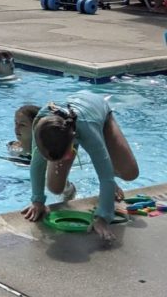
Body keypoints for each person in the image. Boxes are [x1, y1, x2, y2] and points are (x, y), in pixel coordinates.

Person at [21, 92, 138, 243]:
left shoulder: (89, 133)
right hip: (63, 125)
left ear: (71, 148)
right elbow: (36, 164)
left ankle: (109, 171)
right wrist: (37, 201)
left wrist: (102, 218)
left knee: (130, 173)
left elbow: (105, 176)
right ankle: (103, 174)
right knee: (55, 187)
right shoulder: (40, 126)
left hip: (95, 111)